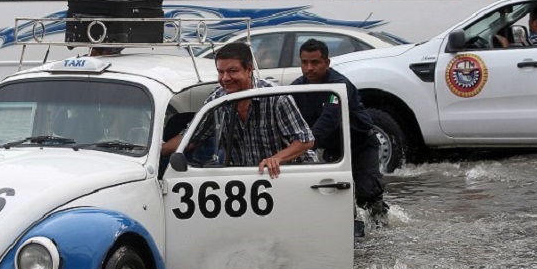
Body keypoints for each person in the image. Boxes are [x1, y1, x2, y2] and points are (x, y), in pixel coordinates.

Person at [162, 42, 315, 178]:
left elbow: (305, 141)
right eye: (221, 72)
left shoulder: (276, 97)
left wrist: (277, 159)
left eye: (232, 71)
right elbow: (190, 138)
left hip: (290, 176)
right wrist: (158, 151)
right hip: (248, 179)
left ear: (249, 70)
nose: (225, 78)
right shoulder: (217, 101)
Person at [291, 38, 388, 228]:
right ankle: (349, 228)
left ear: (326, 63)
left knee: (367, 193)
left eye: (315, 62)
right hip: (334, 149)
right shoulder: (297, 88)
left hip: (361, 145)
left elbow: (329, 120)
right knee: (334, 194)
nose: (309, 68)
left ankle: (381, 229)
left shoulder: (338, 86)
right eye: (304, 62)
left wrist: (304, 145)